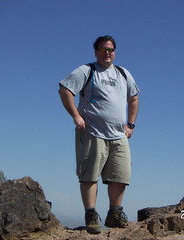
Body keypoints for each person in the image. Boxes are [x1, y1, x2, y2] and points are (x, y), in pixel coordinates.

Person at [58, 35, 139, 234]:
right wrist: (76, 116)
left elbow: (134, 98)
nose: (107, 52)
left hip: (119, 135)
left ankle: (115, 213)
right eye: (103, 49)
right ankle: (91, 215)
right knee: (89, 175)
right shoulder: (87, 71)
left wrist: (131, 124)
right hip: (92, 132)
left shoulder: (123, 73)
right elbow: (65, 90)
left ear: (115, 52)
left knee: (121, 176)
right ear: (96, 52)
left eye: (110, 49)